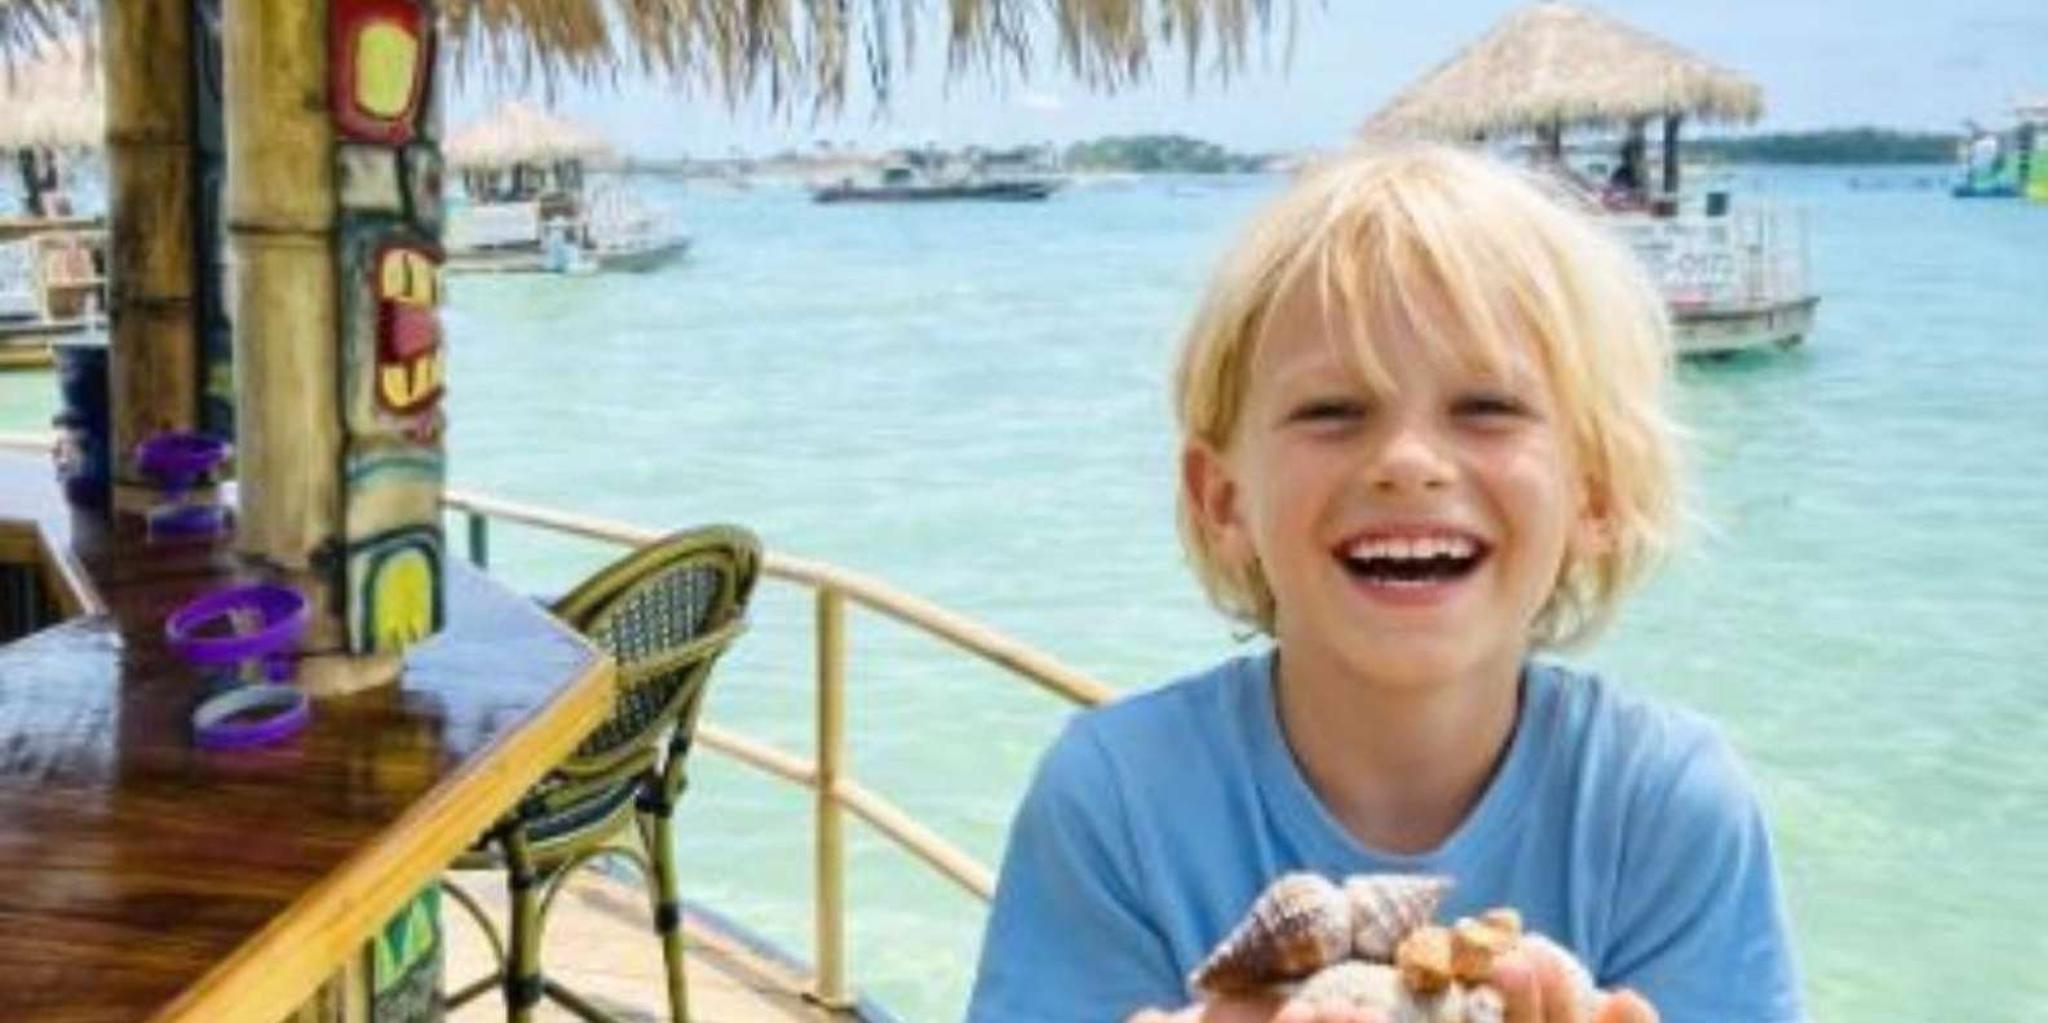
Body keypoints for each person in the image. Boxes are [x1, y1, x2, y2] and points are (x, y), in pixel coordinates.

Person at [967, 145, 1803, 1023]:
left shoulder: (1664, 806)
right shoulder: (1116, 796)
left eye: (1487, 408)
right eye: (1332, 411)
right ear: (1224, 499)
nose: (1408, 461)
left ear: (1595, 494)